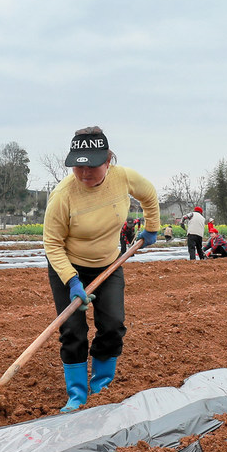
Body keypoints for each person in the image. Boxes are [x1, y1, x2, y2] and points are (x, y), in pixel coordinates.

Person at [43, 126, 160, 412]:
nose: (84, 173)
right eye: (78, 167)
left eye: (92, 166)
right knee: (72, 329)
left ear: (108, 161)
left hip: (108, 263)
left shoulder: (123, 179)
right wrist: (72, 282)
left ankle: (102, 386)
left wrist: (152, 228)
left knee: (112, 325)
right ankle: (77, 394)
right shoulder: (62, 195)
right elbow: (52, 243)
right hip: (68, 268)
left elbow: (149, 194)